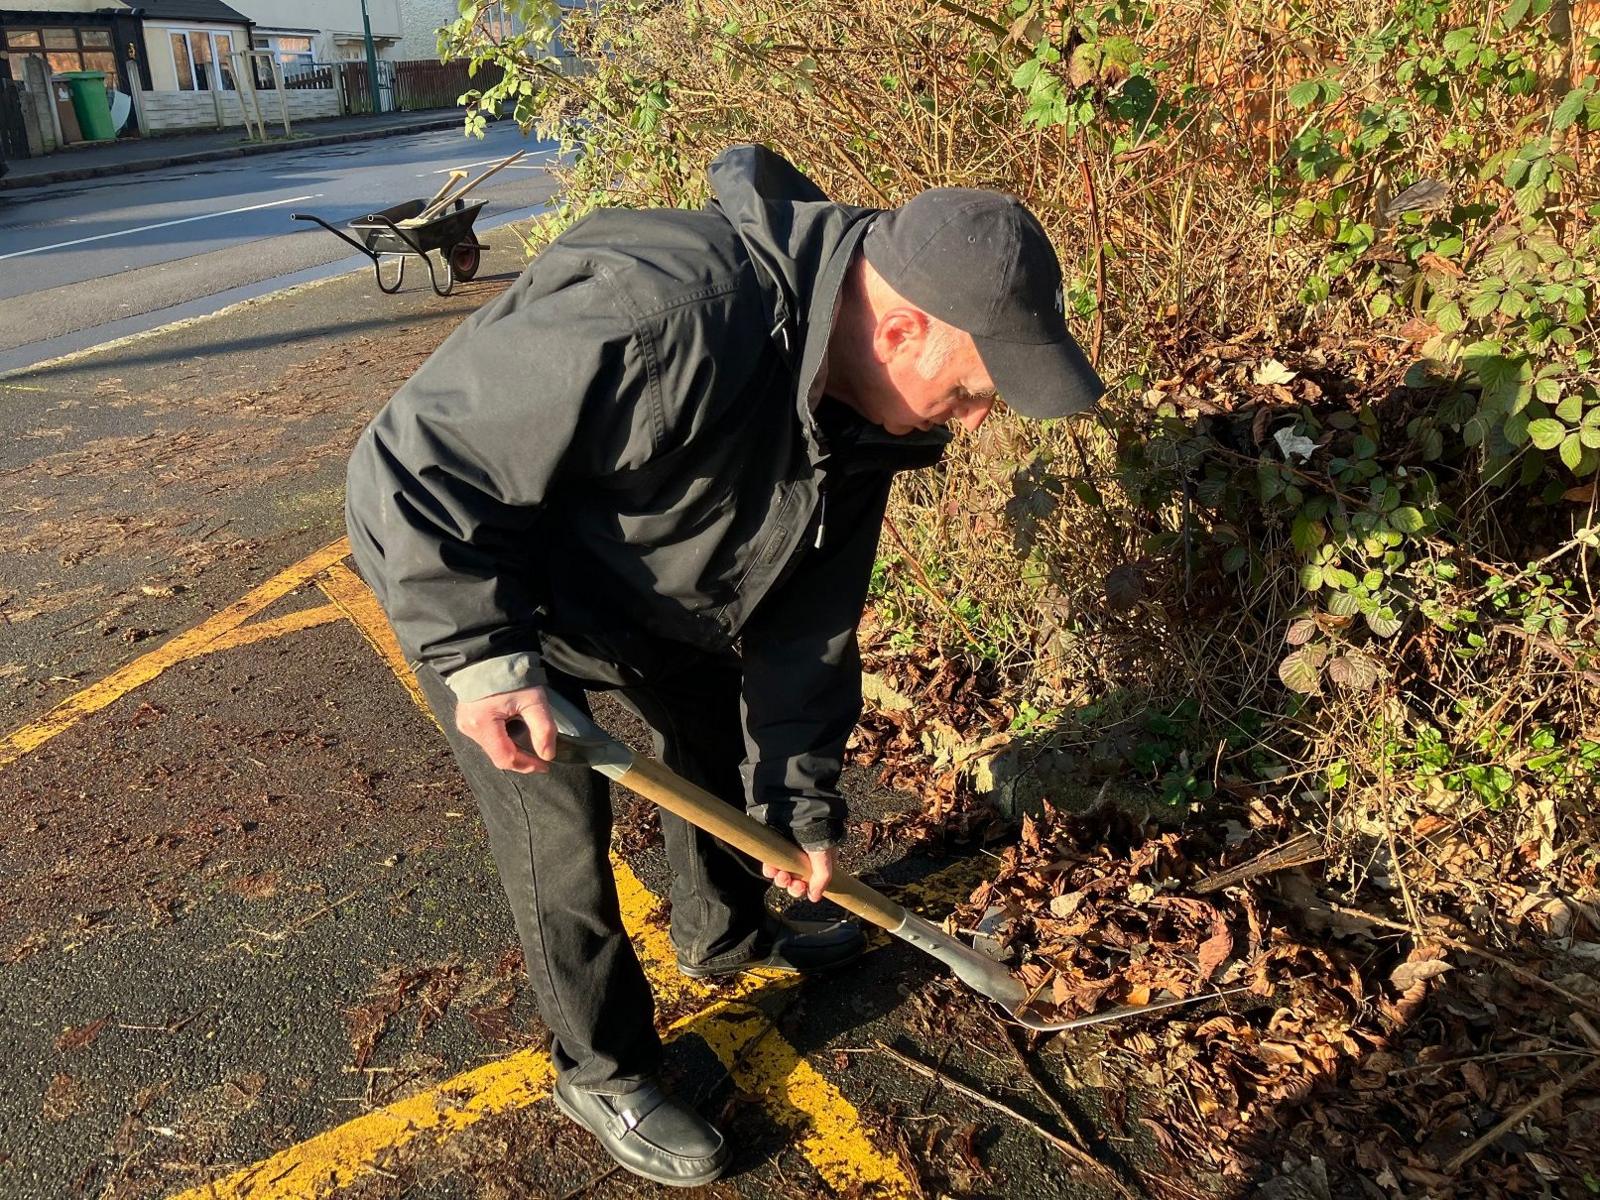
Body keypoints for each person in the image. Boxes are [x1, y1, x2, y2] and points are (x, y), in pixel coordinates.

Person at [344, 143, 1101, 1187]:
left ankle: (727, 935)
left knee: (712, 737)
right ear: (900, 331)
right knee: (557, 830)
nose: (973, 423)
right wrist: (481, 659)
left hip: (658, 594)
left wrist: (799, 808)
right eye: (971, 393)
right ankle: (601, 1068)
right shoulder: (662, 308)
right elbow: (411, 466)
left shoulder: (866, 410)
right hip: (489, 592)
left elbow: (805, 623)